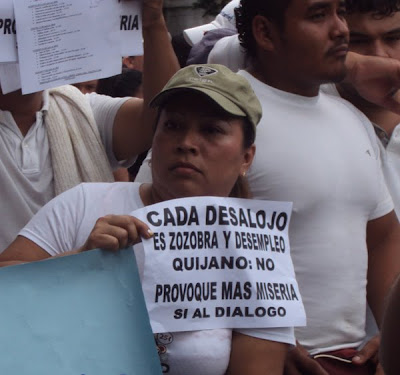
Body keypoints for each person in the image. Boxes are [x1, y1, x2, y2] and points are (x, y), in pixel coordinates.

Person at [0, 64, 297, 375]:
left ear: (246, 157)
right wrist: (77, 265)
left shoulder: (257, 251)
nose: (186, 142)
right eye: (172, 126)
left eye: (211, 130)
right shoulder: (84, 202)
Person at [232, 0, 400, 374]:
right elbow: (173, 228)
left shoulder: (350, 118)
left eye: (340, 11)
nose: (340, 28)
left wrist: (391, 335)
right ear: (265, 33)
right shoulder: (221, 114)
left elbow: (382, 236)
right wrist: (262, 338)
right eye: (318, 15)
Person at [0, 0, 179, 253]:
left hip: (86, 289)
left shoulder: (82, 110)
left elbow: (162, 116)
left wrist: (153, 24)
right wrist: (79, 259)